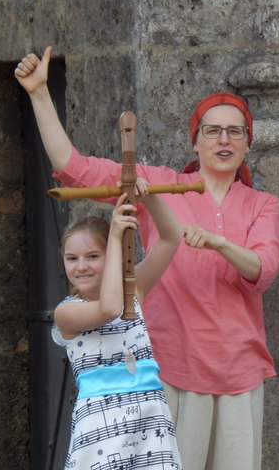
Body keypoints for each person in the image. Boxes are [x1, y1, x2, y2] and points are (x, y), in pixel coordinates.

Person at [16, 47, 279, 470]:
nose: (224, 140)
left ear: (249, 144)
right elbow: (75, 169)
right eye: (212, 131)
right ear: (195, 140)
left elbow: (264, 270)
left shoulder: (262, 204)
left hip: (239, 369)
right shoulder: (160, 183)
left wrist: (218, 243)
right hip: (171, 366)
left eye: (235, 132)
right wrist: (38, 94)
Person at [54, 187, 183, 469]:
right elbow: (108, 309)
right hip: (99, 427)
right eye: (72, 258)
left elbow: (171, 237)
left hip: (150, 418)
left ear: (110, 255)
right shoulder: (66, 312)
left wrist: (147, 195)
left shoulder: (133, 289)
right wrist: (114, 236)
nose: (81, 267)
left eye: (93, 256)